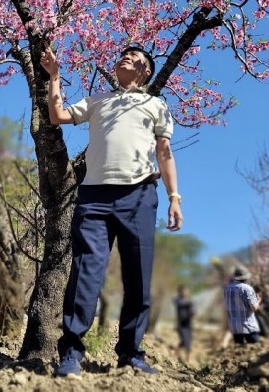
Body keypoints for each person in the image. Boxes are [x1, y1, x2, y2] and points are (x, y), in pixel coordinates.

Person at [40, 45, 183, 377]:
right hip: (94, 196)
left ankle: (131, 353)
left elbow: (165, 153)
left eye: (134, 59)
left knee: (138, 275)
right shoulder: (97, 100)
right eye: (123, 56)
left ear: (145, 72)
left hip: (139, 195)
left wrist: (176, 197)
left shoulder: (156, 105)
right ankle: (72, 351)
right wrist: (54, 77)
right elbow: (56, 116)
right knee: (86, 270)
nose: (125, 59)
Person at [223, 267, 262, 344]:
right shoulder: (247, 288)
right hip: (248, 326)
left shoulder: (227, 288)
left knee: (239, 351)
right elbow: (254, 307)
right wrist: (258, 301)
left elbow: (226, 306)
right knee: (254, 350)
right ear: (246, 277)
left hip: (235, 326)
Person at [174, 284, 195, 364]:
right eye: (184, 291)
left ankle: (187, 359)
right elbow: (180, 304)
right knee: (184, 341)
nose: (185, 292)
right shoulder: (178, 300)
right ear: (180, 292)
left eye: (186, 291)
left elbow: (192, 311)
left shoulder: (189, 302)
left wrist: (193, 313)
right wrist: (189, 303)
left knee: (188, 342)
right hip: (181, 324)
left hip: (188, 324)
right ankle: (176, 352)